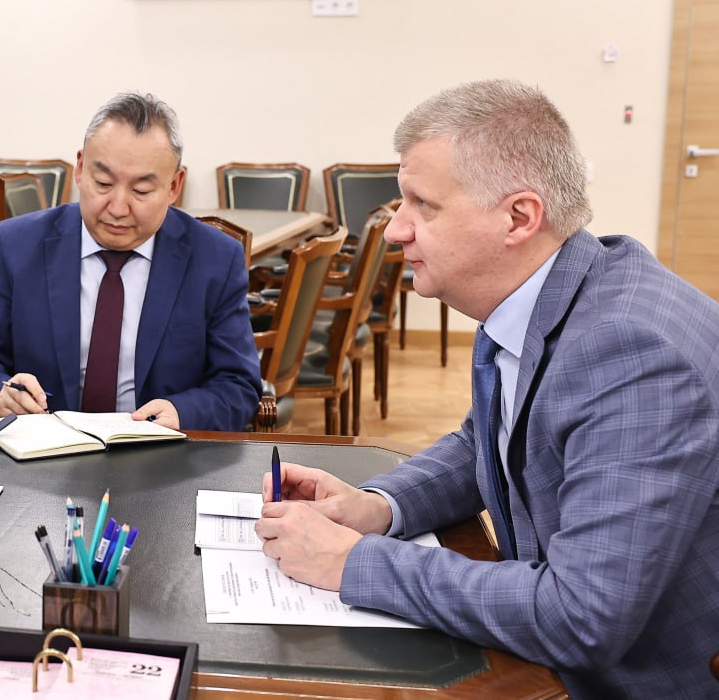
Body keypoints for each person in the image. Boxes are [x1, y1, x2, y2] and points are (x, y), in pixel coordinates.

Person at [255, 80, 719, 697]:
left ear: (519, 218)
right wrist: (378, 507)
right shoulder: (539, 292)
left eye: (423, 205)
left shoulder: (631, 354)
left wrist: (350, 561)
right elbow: (490, 440)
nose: (395, 231)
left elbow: (581, 617)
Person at [0, 91, 261, 431]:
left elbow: (238, 385)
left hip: (163, 452)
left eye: (141, 191)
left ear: (174, 186)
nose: (118, 207)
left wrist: (182, 412)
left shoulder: (216, 259)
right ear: (81, 169)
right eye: (103, 183)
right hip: (42, 452)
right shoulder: (16, 245)